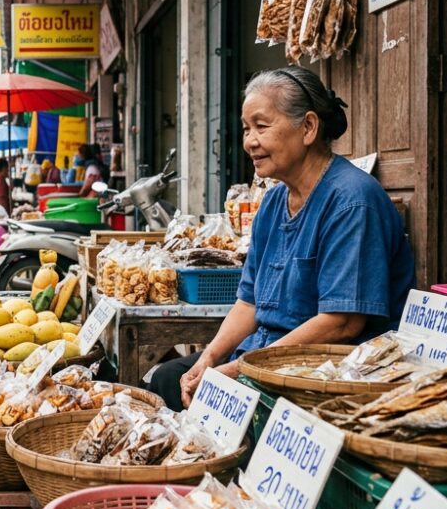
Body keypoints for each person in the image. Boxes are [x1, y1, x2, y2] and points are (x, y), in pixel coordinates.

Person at [147, 67, 415, 412]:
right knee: (169, 379)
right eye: (246, 128)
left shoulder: (352, 201)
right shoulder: (274, 202)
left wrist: (241, 370)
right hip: (267, 354)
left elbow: (343, 322)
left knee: (213, 402)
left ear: (308, 128)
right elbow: (249, 302)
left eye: (261, 125)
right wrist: (212, 358)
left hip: (327, 369)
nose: (249, 141)